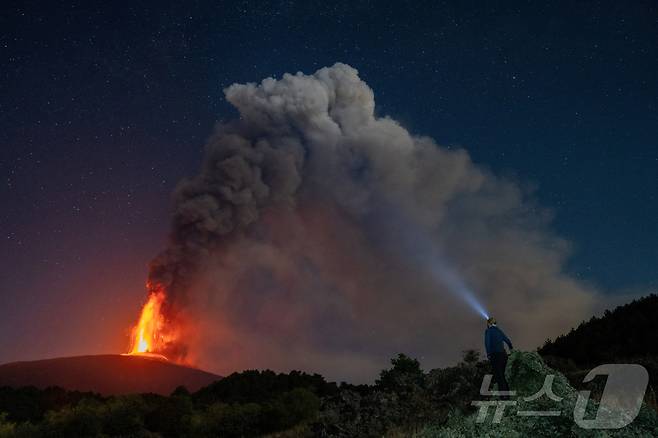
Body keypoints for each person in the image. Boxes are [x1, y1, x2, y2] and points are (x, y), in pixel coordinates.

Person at [484, 317, 513, 393]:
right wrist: (511, 348)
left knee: (499, 377)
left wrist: (488, 354)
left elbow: (487, 343)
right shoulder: (499, 331)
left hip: (495, 356)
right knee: (503, 376)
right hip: (503, 355)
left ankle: (504, 396)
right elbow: (507, 340)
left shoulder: (488, 331)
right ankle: (507, 393)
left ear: (489, 323)